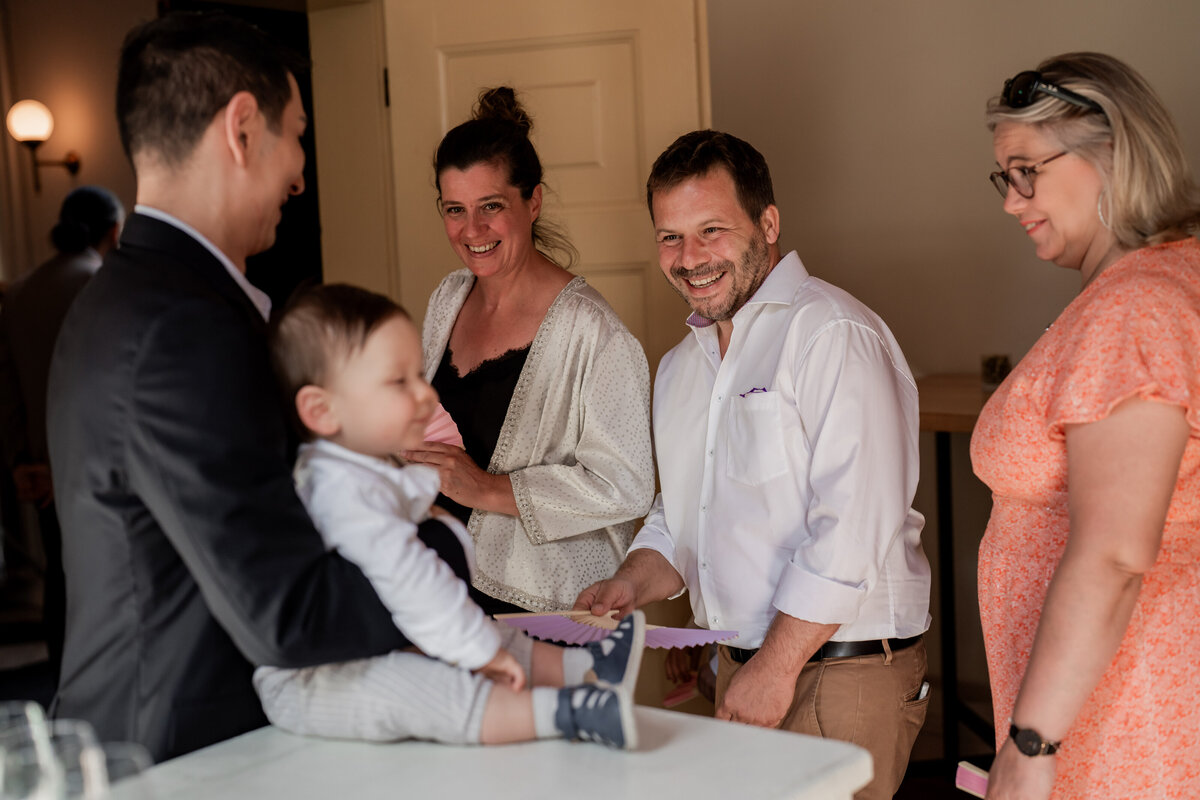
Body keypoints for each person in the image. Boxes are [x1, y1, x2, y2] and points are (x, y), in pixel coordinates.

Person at [45, 13, 424, 761]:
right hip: (183, 753)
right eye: (299, 135)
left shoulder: (122, 298)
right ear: (243, 129)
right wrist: (438, 545)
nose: (302, 175)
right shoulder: (182, 327)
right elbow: (288, 614)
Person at [575, 130, 931, 800]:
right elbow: (685, 512)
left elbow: (853, 526)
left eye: (711, 230)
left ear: (768, 224)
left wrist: (774, 667)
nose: (689, 258)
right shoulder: (680, 368)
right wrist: (629, 582)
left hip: (836, 672)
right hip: (744, 668)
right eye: (671, 237)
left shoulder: (831, 333)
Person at [253, 283, 644, 749]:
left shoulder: (362, 469)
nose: (425, 393)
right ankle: (564, 712)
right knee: (422, 690)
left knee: (490, 631)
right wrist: (478, 654)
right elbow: (409, 577)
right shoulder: (340, 489)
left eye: (420, 374)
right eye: (399, 382)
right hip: (313, 680)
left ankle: (587, 666)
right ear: (322, 410)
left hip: (374, 641)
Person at [973, 53, 1200, 800]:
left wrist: (1031, 744)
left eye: (1027, 172)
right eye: (1005, 178)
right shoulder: (1160, 282)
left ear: (1113, 154)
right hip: (1111, 695)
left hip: (1119, 710)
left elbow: (1114, 554)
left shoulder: (1135, 308)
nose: (1012, 202)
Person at [403, 87, 655, 616]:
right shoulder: (448, 298)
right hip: (439, 588)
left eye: (491, 206)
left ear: (533, 202)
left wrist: (487, 489)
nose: (472, 230)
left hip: (543, 606)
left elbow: (627, 486)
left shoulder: (595, 333)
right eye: (455, 210)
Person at [0, 186, 123, 684]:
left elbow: (7, 388)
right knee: (104, 581)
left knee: (59, 576)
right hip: (92, 465)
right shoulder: (101, 285)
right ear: (114, 230)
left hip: (40, 467)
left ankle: (60, 683)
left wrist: (21, 463)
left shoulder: (20, 292)